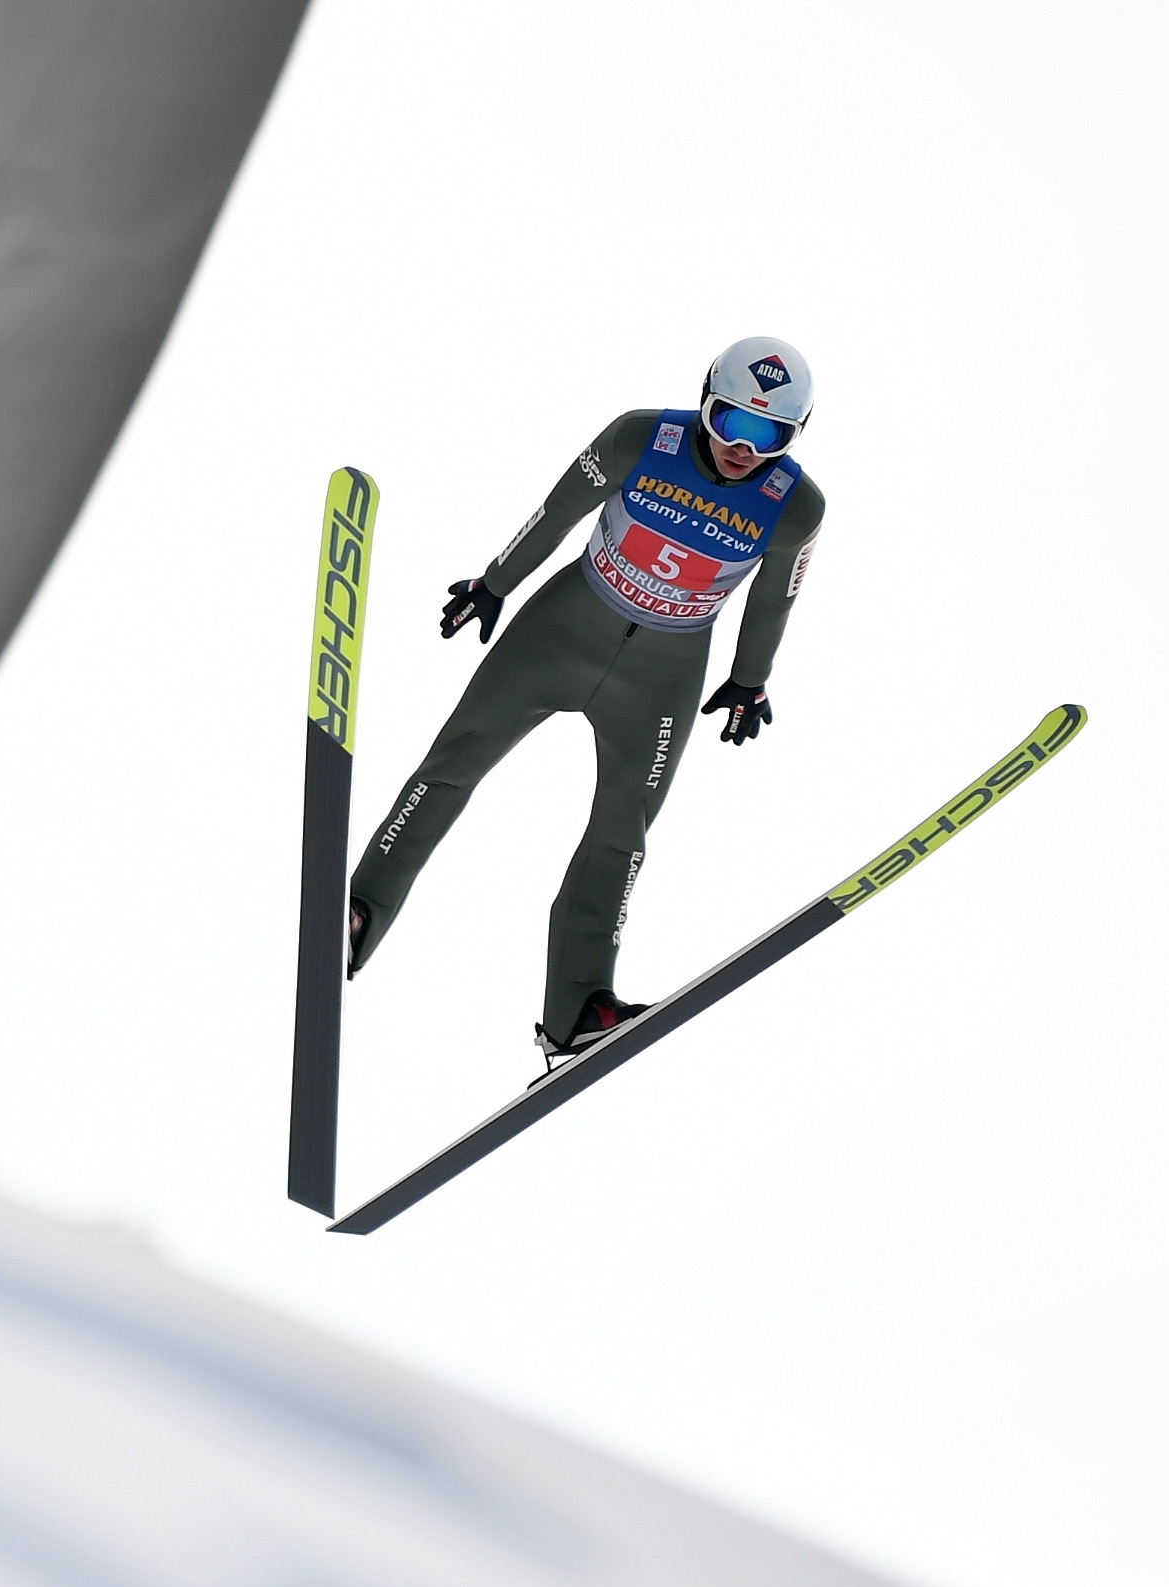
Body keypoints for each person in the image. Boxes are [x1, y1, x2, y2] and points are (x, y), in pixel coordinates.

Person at [344, 336, 827, 1064]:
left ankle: (577, 1008)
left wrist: (750, 677)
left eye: (770, 436)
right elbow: (556, 510)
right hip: (565, 626)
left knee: (621, 834)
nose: (742, 448)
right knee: (454, 761)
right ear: (705, 400)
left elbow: (773, 602)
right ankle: (357, 911)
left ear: (796, 437)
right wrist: (493, 583)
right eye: (731, 421)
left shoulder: (793, 507)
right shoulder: (642, 436)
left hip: (663, 676)